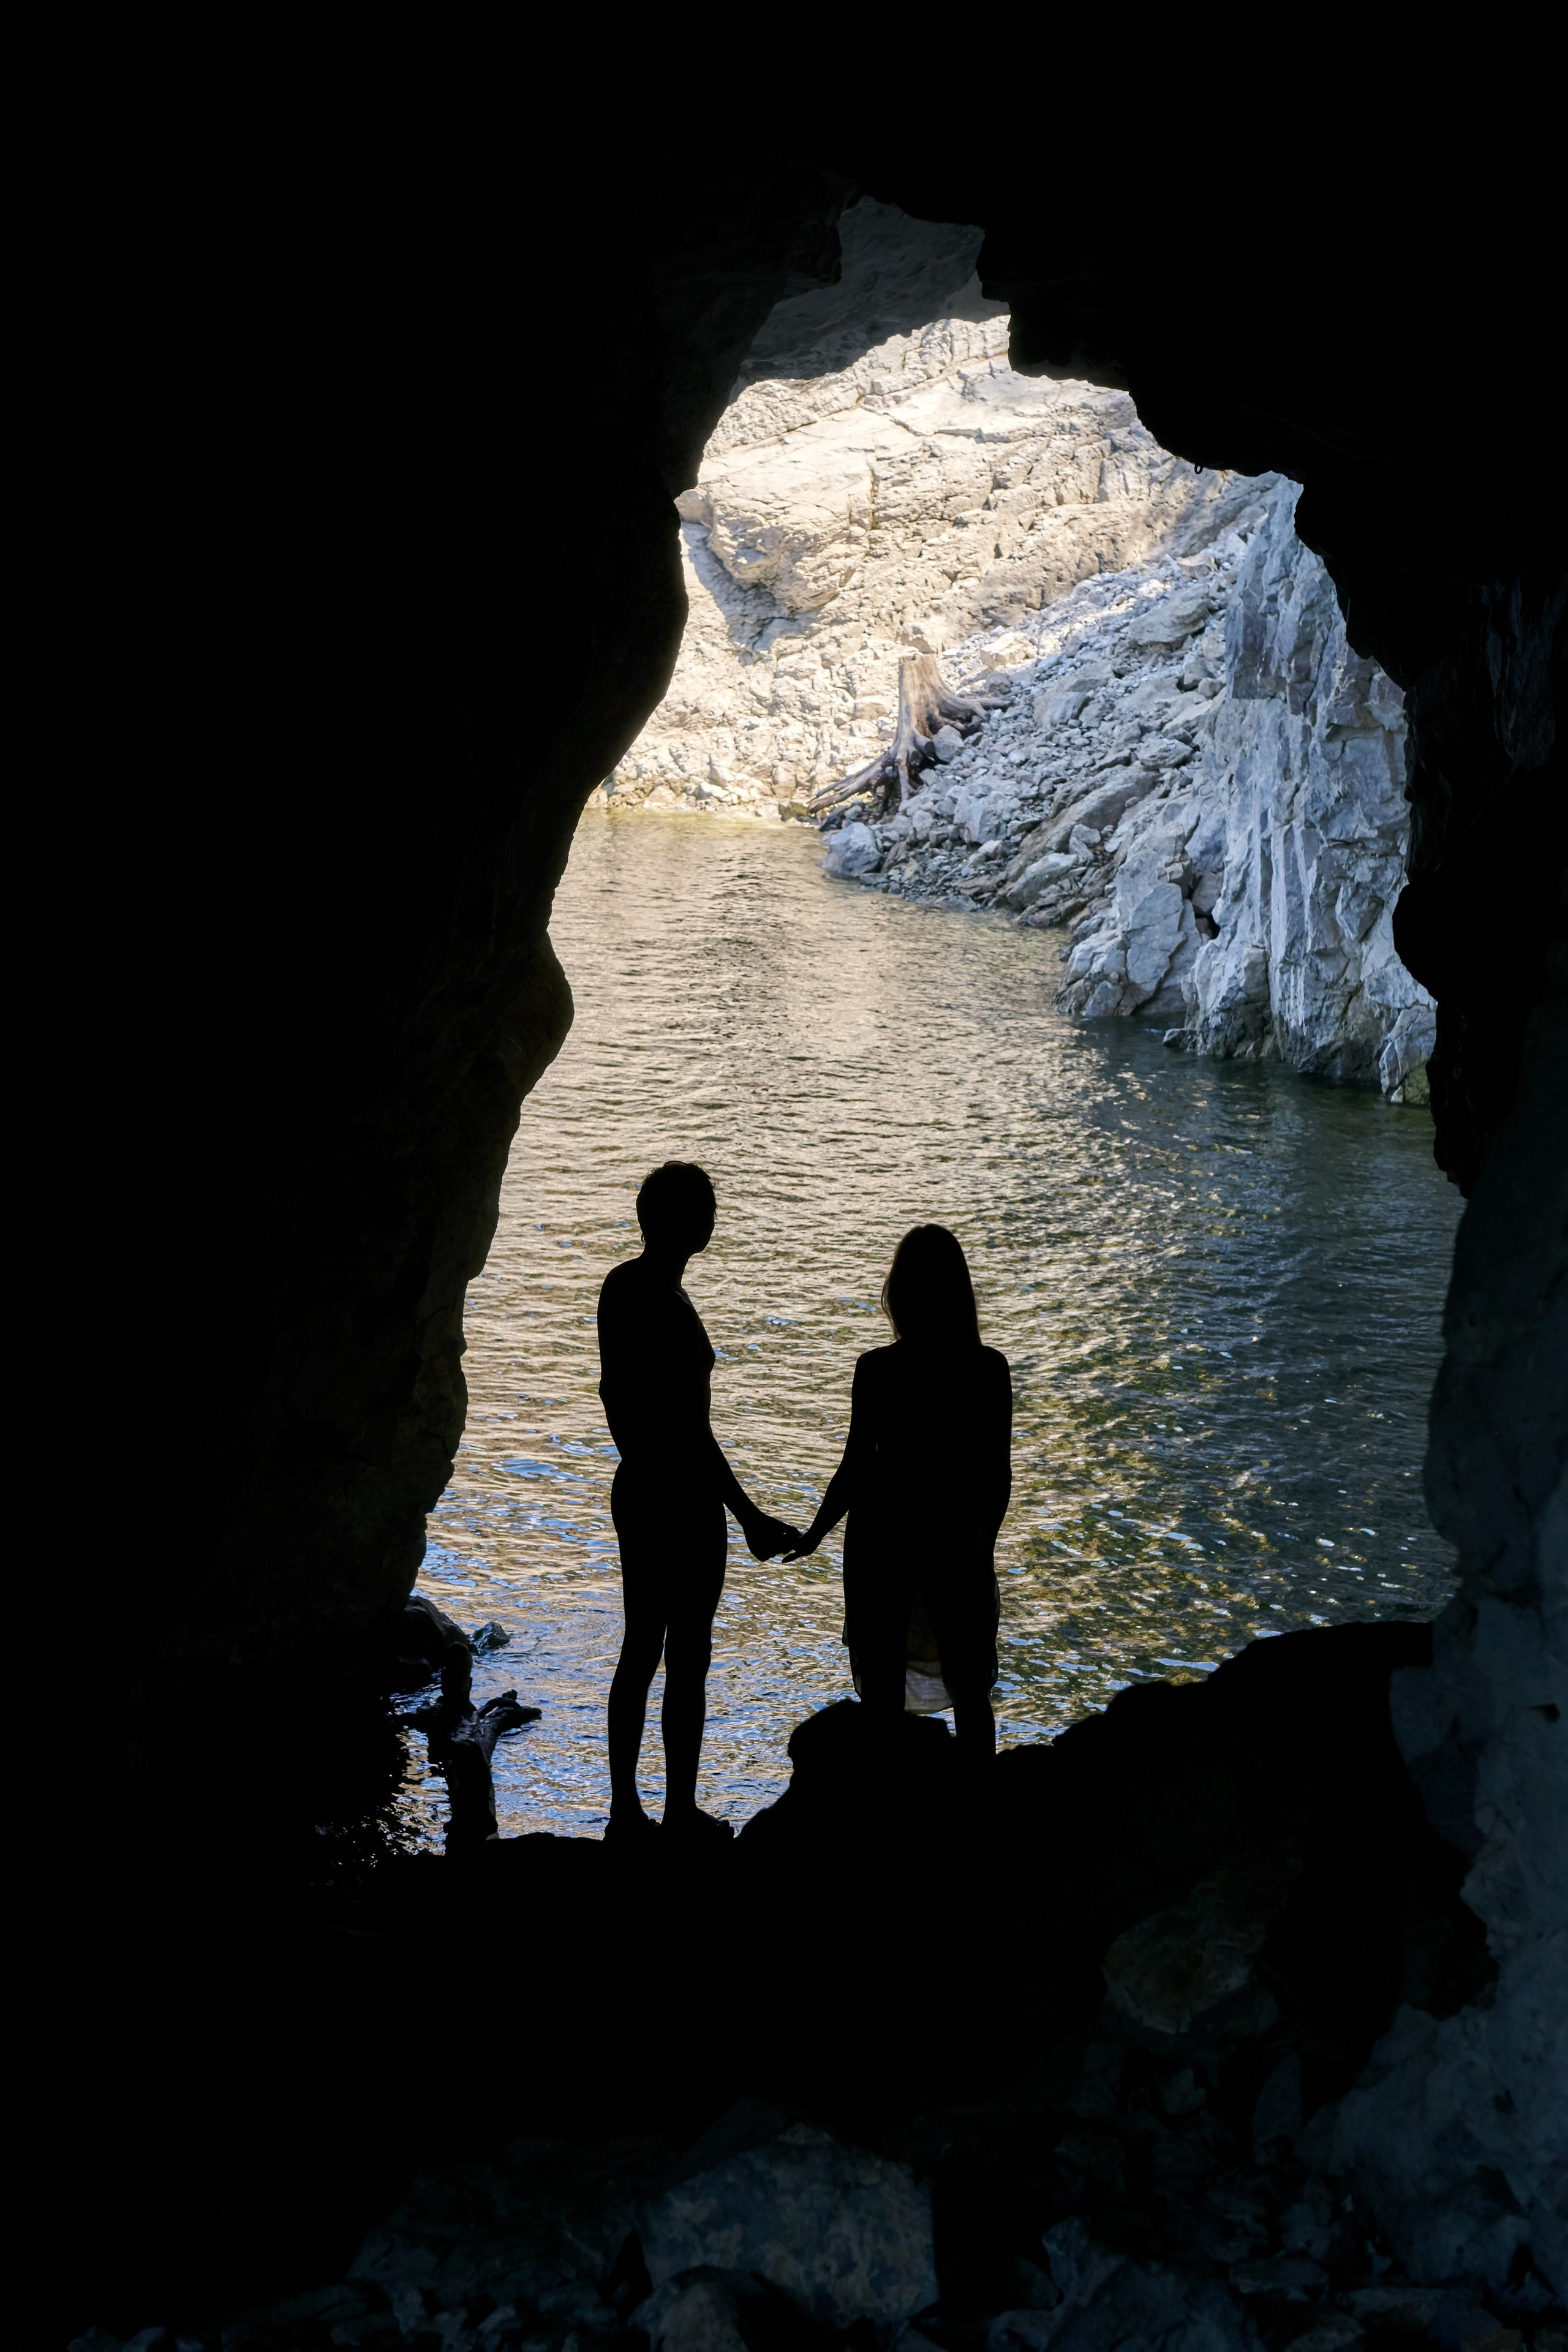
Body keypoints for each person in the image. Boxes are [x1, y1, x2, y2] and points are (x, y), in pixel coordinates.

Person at [598, 1160, 801, 1844]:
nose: (711, 1218)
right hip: (674, 1495)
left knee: (658, 1649)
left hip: (655, 1487)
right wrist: (746, 1514)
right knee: (675, 1652)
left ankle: (640, 1810)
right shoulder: (652, 1295)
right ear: (676, 1220)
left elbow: (625, 1404)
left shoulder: (636, 1288)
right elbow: (684, 1427)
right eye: (702, 1207)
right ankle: (657, 1810)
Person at [785, 1224, 1011, 1765]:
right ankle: (981, 1810)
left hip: (881, 1541)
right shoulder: (986, 1369)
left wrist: (815, 1533)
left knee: (882, 1692)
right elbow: (996, 1477)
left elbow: (856, 1468)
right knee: (970, 1690)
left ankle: (885, 1819)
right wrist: (982, 1544)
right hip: (956, 1538)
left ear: (899, 1293)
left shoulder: (878, 1369)